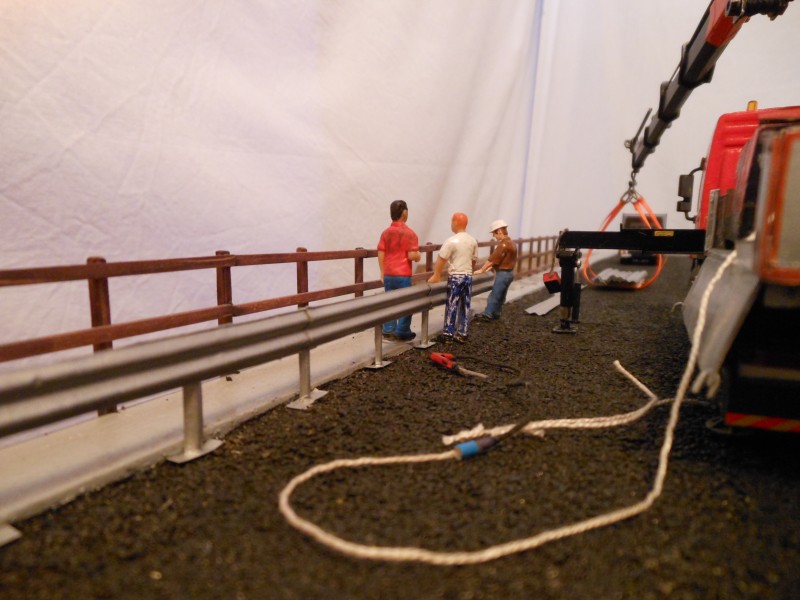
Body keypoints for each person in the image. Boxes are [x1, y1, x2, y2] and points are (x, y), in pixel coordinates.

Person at [428, 212, 478, 343]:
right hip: (468, 276)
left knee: (452, 304)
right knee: (465, 304)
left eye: (452, 221)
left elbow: (442, 258)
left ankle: (448, 333)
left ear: (455, 223)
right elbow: (473, 260)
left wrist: (436, 274)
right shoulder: (472, 241)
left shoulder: (452, 241)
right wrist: (470, 271)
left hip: (456, 276)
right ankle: (462, 332)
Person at [377, 199, 421, 341]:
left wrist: (382, 272)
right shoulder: (410, 234)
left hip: (389, 274)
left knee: (390, 301)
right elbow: (412, 255)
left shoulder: (385, 233)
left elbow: (381, 253)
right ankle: (402, 330)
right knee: (406, 302)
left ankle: (389, 328)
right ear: (405, 213)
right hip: (403, 275)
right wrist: (418, 256)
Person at [474, 219, 517, 322]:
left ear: (499, 231)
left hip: (503, 274)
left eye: (494, 233)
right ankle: (496, 313)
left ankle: (488, 314)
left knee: (495, 295)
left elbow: (492, 259)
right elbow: (503, 260)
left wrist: (482, 269)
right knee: (501, 295)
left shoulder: (503, 245)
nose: (493, 236)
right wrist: (492, 267)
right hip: (509, 273)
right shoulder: (512, 243)